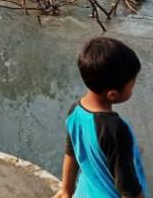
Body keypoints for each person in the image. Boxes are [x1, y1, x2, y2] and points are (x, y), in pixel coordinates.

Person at [55, 37, 147, 198]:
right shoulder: (116, 129)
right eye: (132, 85)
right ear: (113, 94)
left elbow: (71, 154)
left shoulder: (75, 111)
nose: (133, 88)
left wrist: (66, 190)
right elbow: (128, 189)